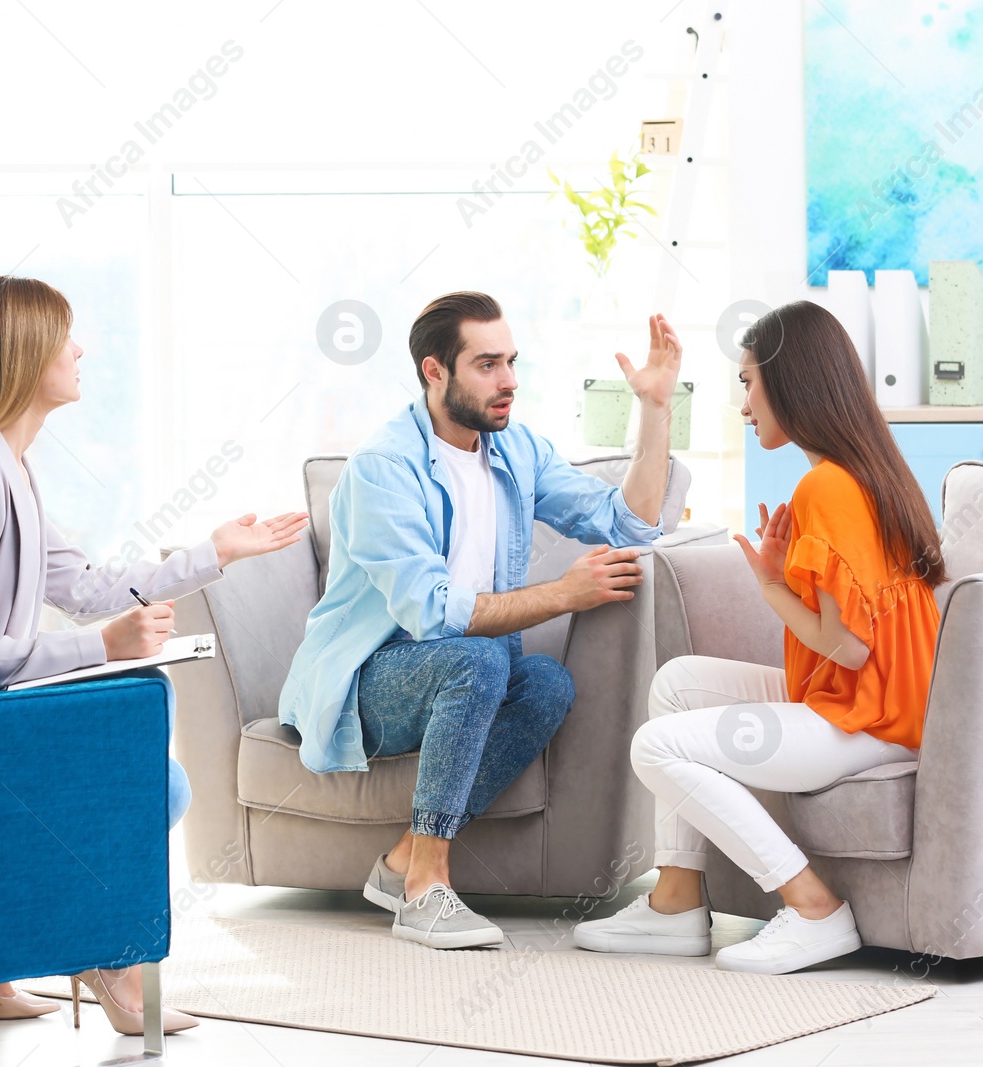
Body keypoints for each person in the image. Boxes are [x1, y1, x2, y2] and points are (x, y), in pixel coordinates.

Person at [0, 275, 308, 1032]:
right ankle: (103, 959)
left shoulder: (7, 466)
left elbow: (85, 585)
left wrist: (212, 552)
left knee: (151, 779)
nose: (81, 349)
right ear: (24, 355)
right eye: (65, 336)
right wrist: (103, 645)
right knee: (153, 787)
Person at [279, 291, 683, 949]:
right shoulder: (385, 467)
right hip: (364, 683)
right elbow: (431, 613)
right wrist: (563, 593)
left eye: (512, 362)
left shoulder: (515, 449)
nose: (510, 382)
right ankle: (425, 888)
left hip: (462, 669)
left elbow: (628, 522)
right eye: (488, 364)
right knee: (480, 655)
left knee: (547, 681)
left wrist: (656, 407)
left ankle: (403, 858)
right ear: (434, 371)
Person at [573, 299, 943, 974]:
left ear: (790, 379)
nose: (743, 402)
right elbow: (855, 640)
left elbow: (851, 647)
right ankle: (676, 901)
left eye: (747, 381)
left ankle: (813, 907)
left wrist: (774, 590)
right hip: (872, 698)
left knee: (656, 746)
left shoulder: (827, 487)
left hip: (870, 716)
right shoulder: (852, 472)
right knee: (677, 683)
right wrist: (777, 583)